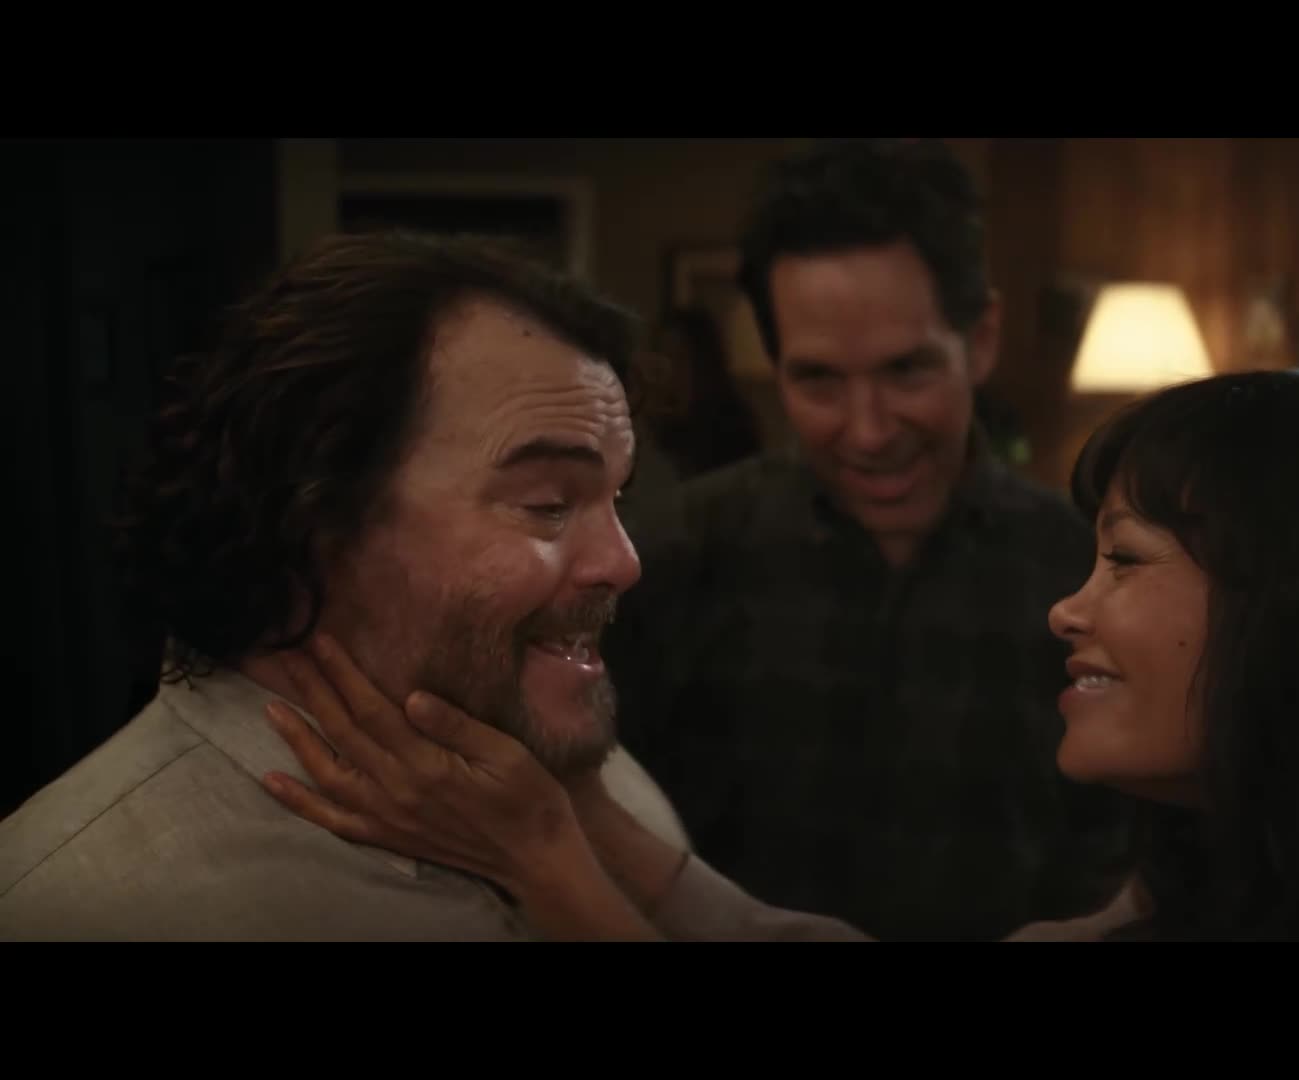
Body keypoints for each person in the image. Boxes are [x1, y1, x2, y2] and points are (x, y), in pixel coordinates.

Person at [260, 369, 1299, 941]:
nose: (1065, 609)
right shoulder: (1258, 865)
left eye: (1127, 562)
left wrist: (551, 870)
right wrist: (568, 809)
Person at [0, 231, 688, 941]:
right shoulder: (82, 905)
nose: (624, 562)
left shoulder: (590, 784)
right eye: (548, 504)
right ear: (313, 518)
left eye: (617, 498)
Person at [605, 139, 1134, 940]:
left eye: (906, 370)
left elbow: (1120, 860)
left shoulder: (1083, 574)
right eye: (819, 379)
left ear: (981, 340)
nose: (869, 431)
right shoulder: (666, 557)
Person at [647, 306, 763, 480]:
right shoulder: (652, 435)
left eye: (679, 358)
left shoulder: (734, 436)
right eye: (662, 358)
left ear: (704, 364)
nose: (668, 371)